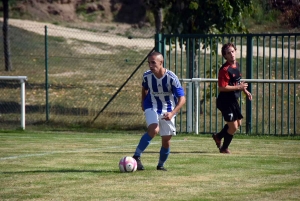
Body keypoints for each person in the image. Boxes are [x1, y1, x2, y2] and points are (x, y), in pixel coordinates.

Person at [132, 51, 186, 171]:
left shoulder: (171, 78)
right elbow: (144, 88)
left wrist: (172, 113)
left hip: (168, 110)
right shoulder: (147, 76)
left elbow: (182, 99)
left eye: (153, 63)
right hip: (151, 105)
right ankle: (136, 156)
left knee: (166, 140)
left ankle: (160, 165)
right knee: (154, 129)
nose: (150, 66)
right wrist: (143, 102)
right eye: (149, 63)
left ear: (161, 63)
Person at [212, 43, 252, 154]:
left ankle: (218, 136)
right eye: (228, 53)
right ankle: (224, 148)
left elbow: (238, 82)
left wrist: (245, 90)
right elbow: (222, 87)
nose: (232, 54)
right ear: (225, 56)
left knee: (238, 123)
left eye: (233, 51)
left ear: (236, 51)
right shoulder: (224, 69)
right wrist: (239, 87)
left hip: (233, 100)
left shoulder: (236, 65)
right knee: (233, 127)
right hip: (225, 101)